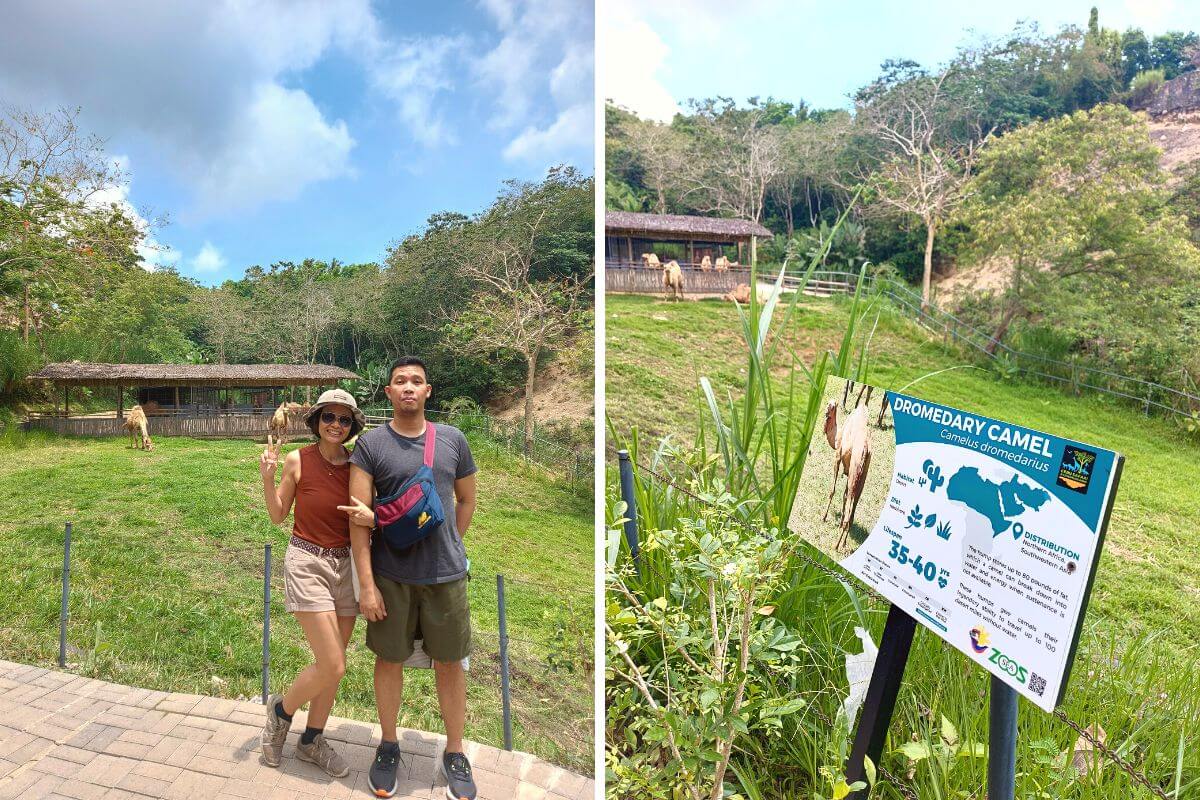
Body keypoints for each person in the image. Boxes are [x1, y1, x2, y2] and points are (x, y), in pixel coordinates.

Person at [338, 356, 479, 800]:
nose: (408, 388)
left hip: (445, 577)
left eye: (417, 381)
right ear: (388, 392)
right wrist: (367, 585)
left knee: (451, 662)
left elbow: (466, 499)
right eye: (400, 381)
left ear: (428, 391)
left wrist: (449, 544)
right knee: (390, 659)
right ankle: (388, 744)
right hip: (391, 575)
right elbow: (357, 520)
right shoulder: (371, 446)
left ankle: (454, 752)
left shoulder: (453, 440)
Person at [258, 388, 367, 778]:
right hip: (307, 562)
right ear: (316, 421)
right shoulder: (297, 459)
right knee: (334, 664)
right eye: (328, 417)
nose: (335, 425)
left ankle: (311, 741)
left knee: (332, 665)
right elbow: (276, 515)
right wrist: (268, 479)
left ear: (352, 425)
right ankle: (281, 712)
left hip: (347, 567)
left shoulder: (358, 466)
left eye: (343, 419)